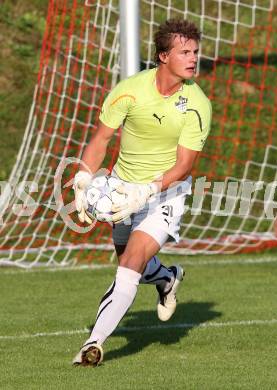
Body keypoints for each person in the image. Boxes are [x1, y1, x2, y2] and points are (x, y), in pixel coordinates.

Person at [72, 19, 212, 366]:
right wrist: (82, 182)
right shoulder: (130, 90)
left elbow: (183, 165)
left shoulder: (197, 104)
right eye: (185, 52)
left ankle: (94, 344)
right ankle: (168, 277)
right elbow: (100, 140)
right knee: (129, 260)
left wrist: (147, 192)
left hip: (166, 193)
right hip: (121, 187)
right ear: (163, 56)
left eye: (195, 51)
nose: (193, 58)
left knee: (131, 263)